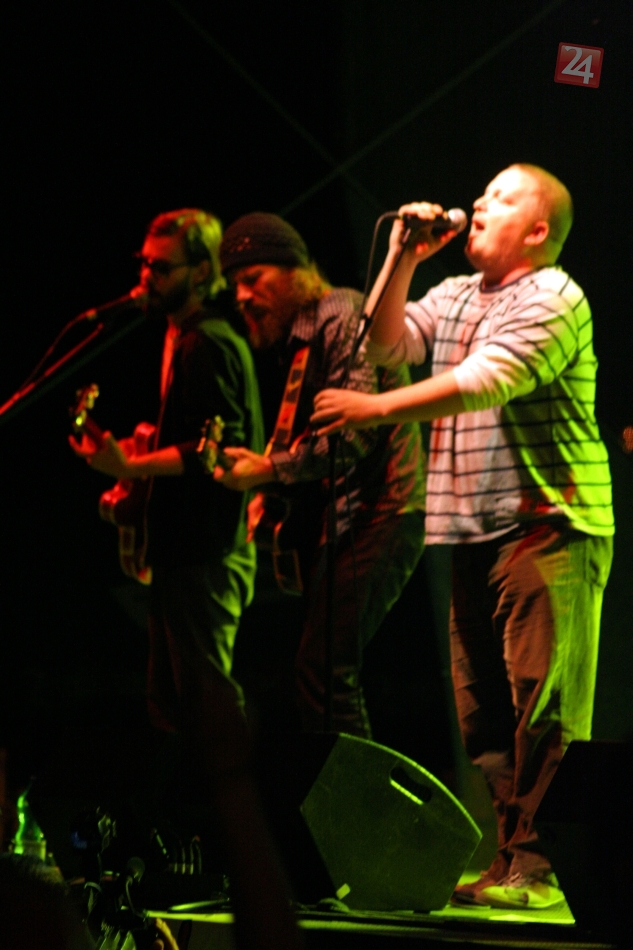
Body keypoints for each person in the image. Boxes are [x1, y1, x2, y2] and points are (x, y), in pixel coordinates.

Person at [312, 165, 614, 909]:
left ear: (537, 230)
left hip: (546, 526)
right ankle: (513, 862)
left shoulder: (554, 295)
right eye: (482, 193)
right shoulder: (452, 295)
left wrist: (375, 412)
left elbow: (486, 379)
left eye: (501, 198)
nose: (480, 202)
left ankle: (540, 868)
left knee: (542, 707)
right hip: (471, 530)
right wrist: (402, 255)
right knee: (485, 718)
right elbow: (383, 347)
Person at [71, 208, 264, 788]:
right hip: (182, 551)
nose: (145, 278)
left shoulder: (207, 342)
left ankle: (248, 821)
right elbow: (186, 436)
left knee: (208, 705)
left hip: (207, 552)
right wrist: (143, 450)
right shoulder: (181, 336)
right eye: (143, 264)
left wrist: (131, 465)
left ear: (201, 271)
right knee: (173, 704)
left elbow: (214, 447)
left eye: (160, 268)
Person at [214, 212, 427, 738]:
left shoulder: (341, 312)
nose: (241, 297)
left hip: (383, 509)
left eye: (252, 278)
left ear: (296, 270)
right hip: (352, 518)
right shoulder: (304, 337)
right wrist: (271, 485)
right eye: (234, 285)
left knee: (324, 673)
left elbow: (354, 436)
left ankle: (357, 793)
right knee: (321, 674)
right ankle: (348, 787)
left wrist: (269, 469)